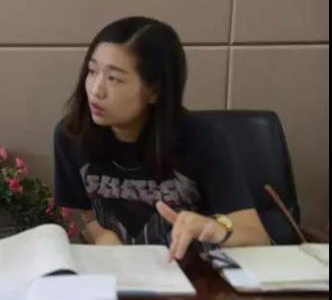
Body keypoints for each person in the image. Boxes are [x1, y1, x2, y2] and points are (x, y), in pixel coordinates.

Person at [54, 16, 270, 260]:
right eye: (92, 71)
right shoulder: (71, 135)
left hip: (191, 274)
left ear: (154, 91)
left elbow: (257, 238)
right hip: (114, 271)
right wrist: (101, 236)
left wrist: (217, 231)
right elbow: (80, 213)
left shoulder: (203, 139)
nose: (96, 90)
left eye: (114, 78)